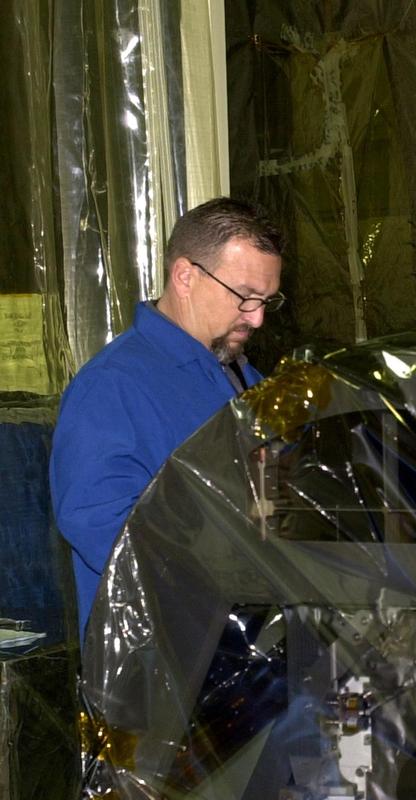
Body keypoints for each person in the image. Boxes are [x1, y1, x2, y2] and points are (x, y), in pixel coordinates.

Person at [51, 196, 285, 641]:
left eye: (266, 301)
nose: (256, 318)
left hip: (235, 649)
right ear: (185, 276)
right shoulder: (111, 386)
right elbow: (104, 528)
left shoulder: (239, 373)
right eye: (245, 297)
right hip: (158, 668)